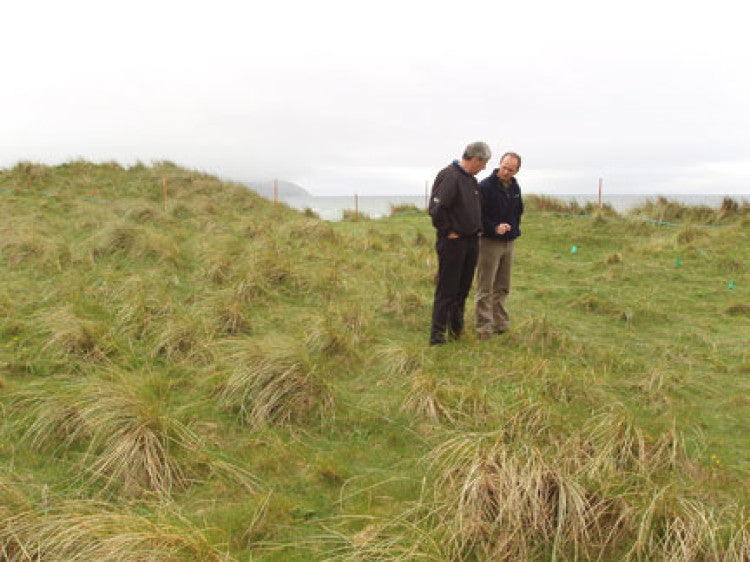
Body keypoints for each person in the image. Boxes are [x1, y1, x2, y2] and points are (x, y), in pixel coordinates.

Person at [428, 141, 491, 345]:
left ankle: (456, 330)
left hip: (471, 242)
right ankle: (437, 336)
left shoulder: (471, 180)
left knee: (463, 289)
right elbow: (436, 209)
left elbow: (473, 208)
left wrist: (479, 227)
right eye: (483, 163)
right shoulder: (449, 175)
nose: (484, 168)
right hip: (453, 243)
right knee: (447, 289)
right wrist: (448, 231)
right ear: (475, 159)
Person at [474, 152, 524, 339]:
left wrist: (513, 229)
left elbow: (518, 211)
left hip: (509, 242)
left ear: (516, 170)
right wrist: (494, 227)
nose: (506, 171)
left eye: (510, 169)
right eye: (504, 167)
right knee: (485, 286)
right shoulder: (484, 186)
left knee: (503, 286)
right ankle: (483, 328)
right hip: (489, 242)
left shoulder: (515, 187)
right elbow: (477, 214)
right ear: (500, 164)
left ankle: (500, 323)